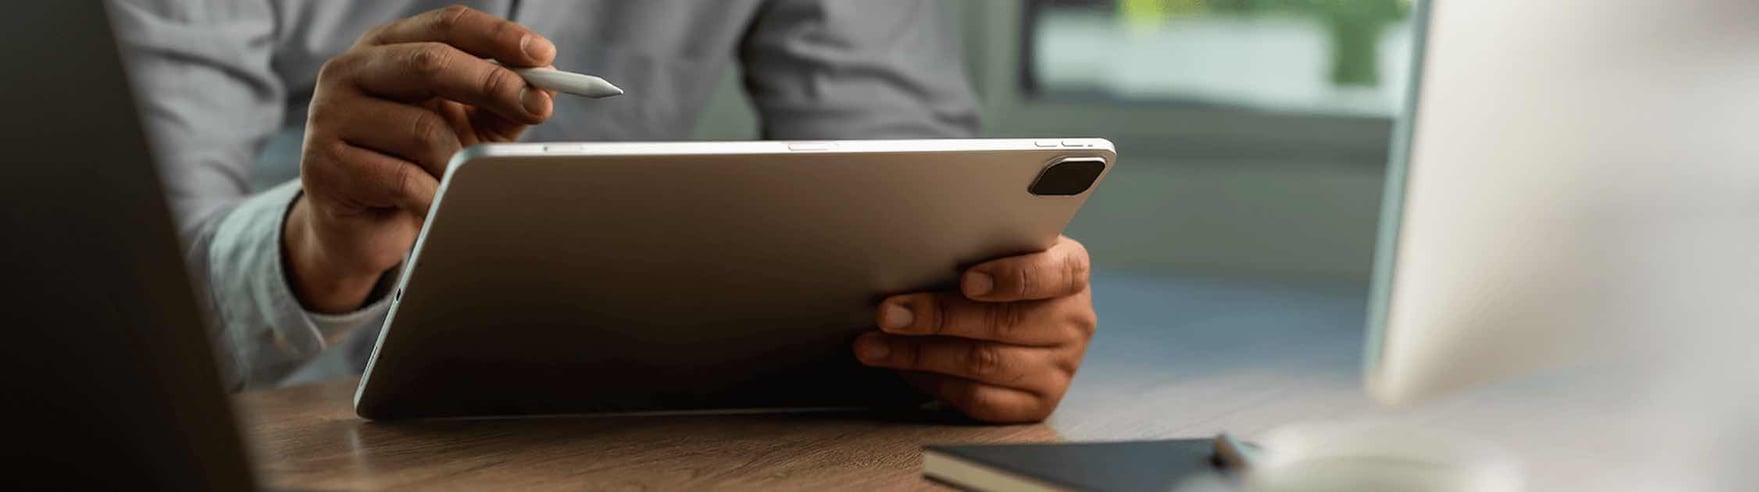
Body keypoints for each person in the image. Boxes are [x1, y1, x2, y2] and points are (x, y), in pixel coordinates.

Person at [108, 1, 1096, 423]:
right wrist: (314, 248)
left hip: (639, 438)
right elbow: (109, 297)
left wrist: (987, 310)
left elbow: (918, 184)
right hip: (290, 428)